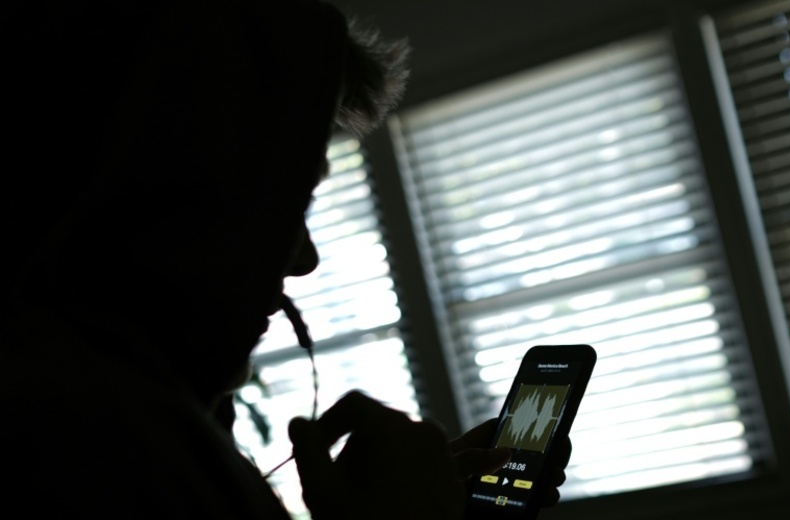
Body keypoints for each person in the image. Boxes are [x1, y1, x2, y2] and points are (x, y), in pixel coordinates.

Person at [2, 1, 570, 518]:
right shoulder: (80, 439)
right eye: (289, 201)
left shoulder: (146, 413)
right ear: (175, 177)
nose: (304, 260)